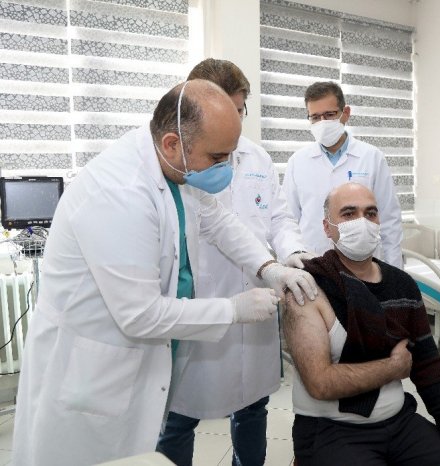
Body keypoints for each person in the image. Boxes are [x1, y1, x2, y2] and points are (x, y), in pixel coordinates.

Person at [12, 79, 317, 466]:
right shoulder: (119, 192)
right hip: (92, 377)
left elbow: (219, 220)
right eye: (218, 157)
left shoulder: (174, 166)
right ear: (173, 143)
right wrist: (233, 310)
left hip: (144, 359)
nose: (226, 168)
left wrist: (269, 268)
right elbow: (140, 314)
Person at [157, 59, 315, 466]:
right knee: (179, 416)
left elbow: (278, 217)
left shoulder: (257, 157)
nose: (234, 121)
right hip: (203, 300)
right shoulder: (179, 165)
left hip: (257, 296)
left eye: (239, 110)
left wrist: (290, 253)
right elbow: (214, 225)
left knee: (252, 406)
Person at [282, 182, 440, 466]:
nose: (362, 222)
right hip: (332, 429)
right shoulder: (308, 288)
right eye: (349, 214)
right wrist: (393, 368)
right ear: (327, 227)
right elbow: (320, 383)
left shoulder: (401, 285)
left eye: (370, 213)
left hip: (398, 422)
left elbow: (427, 364)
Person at [282, 81, 404, 268]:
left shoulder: (372, 157)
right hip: (315, 262)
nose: (322, 123)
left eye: (329, 115)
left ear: (345, 113)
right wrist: (290, 263)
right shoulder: (297, 162)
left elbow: (390, 221)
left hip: (364, 263)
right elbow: (287, 220)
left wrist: (395, 273)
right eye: (315, 117)